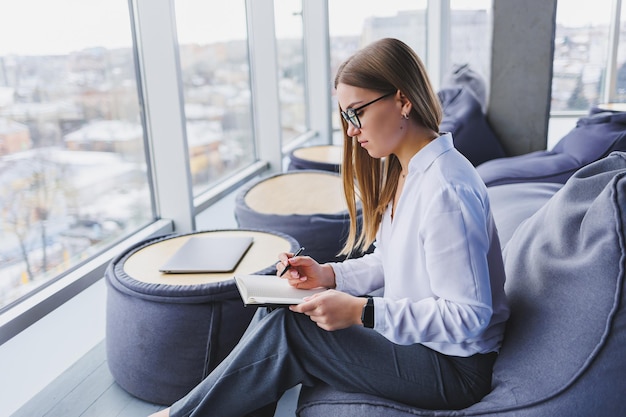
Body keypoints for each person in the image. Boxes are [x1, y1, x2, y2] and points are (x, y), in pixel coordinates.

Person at [149, 37, 509, 417]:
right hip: (423, 346)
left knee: (294, 331)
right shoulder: (407, 172)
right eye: (346, 118)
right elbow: (390, 260)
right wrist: (327, 275)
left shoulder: (446, 190)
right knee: (277, 309)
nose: (351, 131)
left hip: (454, 368)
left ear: (403, 101)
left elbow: (469, 316)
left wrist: (362, 311)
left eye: (357, 113)